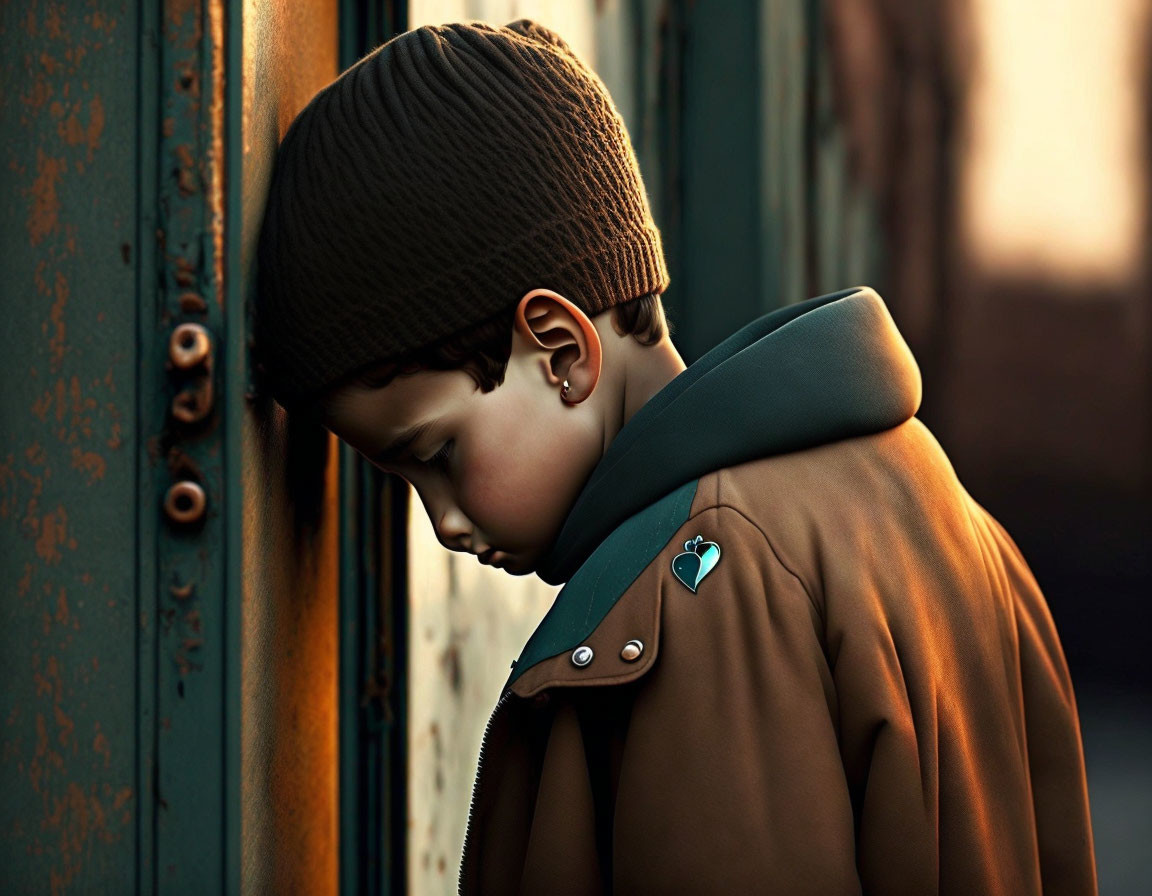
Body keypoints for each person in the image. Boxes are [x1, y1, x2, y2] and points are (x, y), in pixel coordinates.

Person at [254, 18, 1098, 895]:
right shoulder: (946, 516)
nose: (446, 523)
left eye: (438, 455)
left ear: (561, 352)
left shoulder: (704, 589)